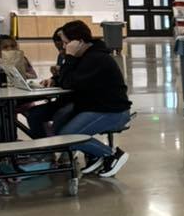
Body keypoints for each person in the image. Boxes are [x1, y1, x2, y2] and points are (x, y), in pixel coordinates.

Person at [29, 21, 132, 177]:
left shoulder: (96, 58)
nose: (64, 47)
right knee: (61, 130)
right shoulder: (85, 56)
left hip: (111, 112)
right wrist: (55, 80)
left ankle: (111, 155)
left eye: (66, 43)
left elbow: (70, 82)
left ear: (79, 42)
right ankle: (96, 156)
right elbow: (72, 78)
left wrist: (69, 57)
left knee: (68, 138)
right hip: (94, 107)